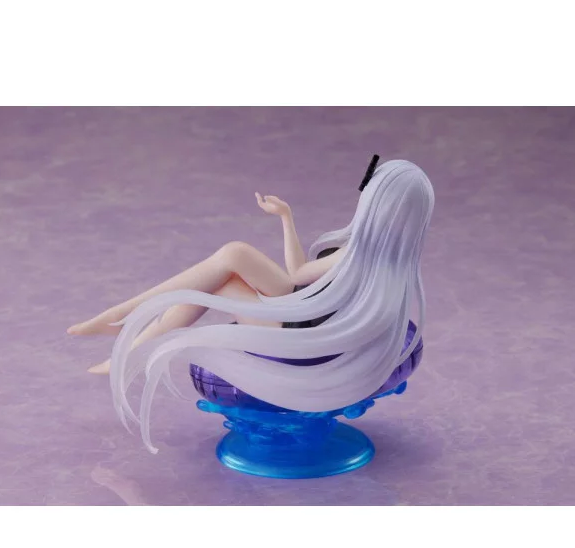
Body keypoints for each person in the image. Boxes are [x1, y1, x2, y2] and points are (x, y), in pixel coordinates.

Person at [68, 158, 434, 453]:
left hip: (301, 338)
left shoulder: (359, 256)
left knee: (228, 270)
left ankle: (125, 326)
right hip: (306, 314)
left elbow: (301, 279)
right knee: (234, 256)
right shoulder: (390, 262)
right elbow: (298, 275)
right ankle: (126, 330)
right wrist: (286, 217)